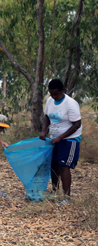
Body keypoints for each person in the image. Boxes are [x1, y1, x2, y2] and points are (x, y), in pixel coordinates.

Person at [39, 79, 82, 207]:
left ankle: (66, 197)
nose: (53, 97)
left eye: (56, 94)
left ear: (63, 91)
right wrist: (43, 130)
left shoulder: (71, 104)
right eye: (51, 94)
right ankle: (54, 190)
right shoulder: (50, 100)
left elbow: (77, 124)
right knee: (54, 165)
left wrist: (60, 138)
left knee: (64, 166)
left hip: (70, 139)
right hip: (54, 137)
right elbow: (47, 117)